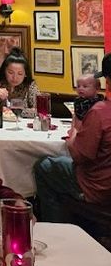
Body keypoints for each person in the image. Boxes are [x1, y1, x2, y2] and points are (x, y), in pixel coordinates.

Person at [34, 53, 111, 223]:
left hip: (98, 188)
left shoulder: (100, 112)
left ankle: (57, 230)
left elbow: (79, 155)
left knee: (44, 166)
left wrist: (74, 132)